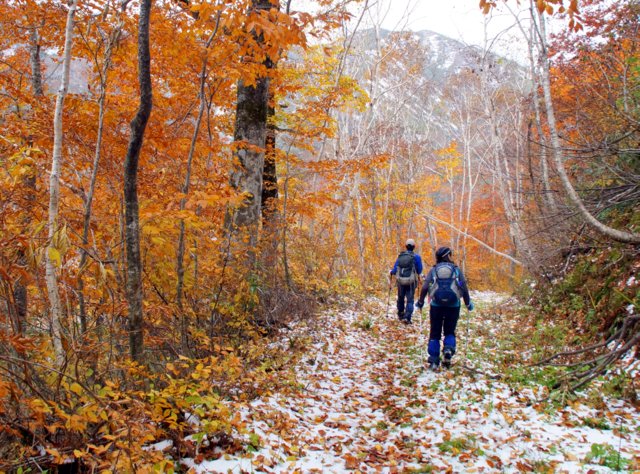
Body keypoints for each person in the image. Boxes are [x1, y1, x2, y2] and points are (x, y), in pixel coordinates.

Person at [416, 246, 474, 370]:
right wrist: (468, 303)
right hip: (453, 306)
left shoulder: (434, 270)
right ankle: (448, 350)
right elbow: (463, 287)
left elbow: (426, 287)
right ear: (447, 255)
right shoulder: (456, 270)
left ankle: (434, 361)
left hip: (436, 306)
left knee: (435, 333)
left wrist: (420, 302)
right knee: (449, 331)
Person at [389, 239, 423, 324]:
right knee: (410, 299)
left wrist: (391, 272)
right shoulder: (417, 257)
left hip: (401, 281)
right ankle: (407, 317)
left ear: (406, 246)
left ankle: (400, 314)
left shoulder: (401, 256)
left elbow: (395, 268)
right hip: (411, 282)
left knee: (401, 297)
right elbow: (419, 270)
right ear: (414, 247)